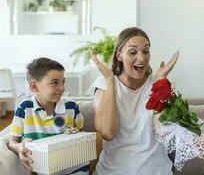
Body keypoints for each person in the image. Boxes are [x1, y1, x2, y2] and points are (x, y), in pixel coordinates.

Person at [90, 27, 179, 175]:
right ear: (119, 55)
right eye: (132, 52)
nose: (142, 58)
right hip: (112, 171)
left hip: (155, 171)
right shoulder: (104, 84)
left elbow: (164, 133)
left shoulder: (159, 84)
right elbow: (108, 133)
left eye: (146, 51)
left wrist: (160, 82)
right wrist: (110, 81)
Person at [8, 57, 87, 175]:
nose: (62, 88)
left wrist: (76, 134)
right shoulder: (24, 108)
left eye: (63, 81)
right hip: (40, 170)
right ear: (34, 87)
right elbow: (12, 142)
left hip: (74, 168)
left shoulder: (71, 107)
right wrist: (19, 147)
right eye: (54, 83)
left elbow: (82, 132)